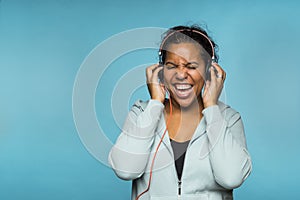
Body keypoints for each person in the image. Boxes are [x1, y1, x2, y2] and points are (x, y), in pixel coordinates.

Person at [109, 25, 252, 200]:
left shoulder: (229, 118)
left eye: (191, 66)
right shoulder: (141, 112)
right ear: (161, 72)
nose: (181, 74)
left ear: (209, 71)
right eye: (172, 65)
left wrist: (212, 108)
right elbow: (125, 170)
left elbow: (231, 177)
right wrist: (155, 104)